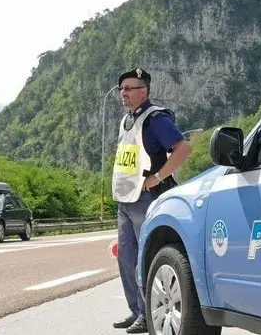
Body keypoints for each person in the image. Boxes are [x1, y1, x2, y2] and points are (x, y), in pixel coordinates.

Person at [110, 67, 192, 333]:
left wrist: (157, 177)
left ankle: (147, 314)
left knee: (144, 260)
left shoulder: (155, 118)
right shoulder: (127, 120)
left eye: (130, 88)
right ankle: (136, 310)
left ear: (144, 90)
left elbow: (183, 148)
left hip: (147, 199)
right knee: (126, 258)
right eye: (122, 88)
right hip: (126, 201)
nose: (124, 92)